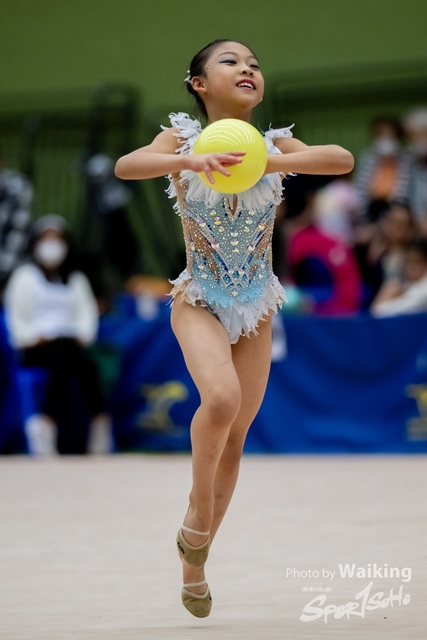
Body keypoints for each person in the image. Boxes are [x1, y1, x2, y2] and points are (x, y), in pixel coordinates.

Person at [115, 39, 354, 618]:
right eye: (231, 61)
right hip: (198, 296)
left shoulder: (274, 144)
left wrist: (269, 161)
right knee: (220, 400)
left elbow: (341, 159)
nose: (247, 68)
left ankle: (194, 562)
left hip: (256, 305)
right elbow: (127, 166)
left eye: (254, 64)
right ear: (198, 83)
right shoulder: (181, 138)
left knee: (237, 433)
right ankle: (196, 514)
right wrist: (188, 162)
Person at [4, 214, 111, 455]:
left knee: (87, 366)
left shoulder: (75, 279)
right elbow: (16, 316)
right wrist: (32, 337)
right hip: (36, 347)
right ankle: (46, 425)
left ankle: (99, 425)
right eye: (46, 239)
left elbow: (86, 314)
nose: (52, 245)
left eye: (57, 239)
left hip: (68, 342)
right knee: (64, 361)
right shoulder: (24, 277)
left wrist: (83, 335)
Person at [371, 237, 427, 317]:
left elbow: (379, 312)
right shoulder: (405, 285)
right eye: (408, 262)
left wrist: (389, 293)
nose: (412, 267)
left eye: (417, 261)